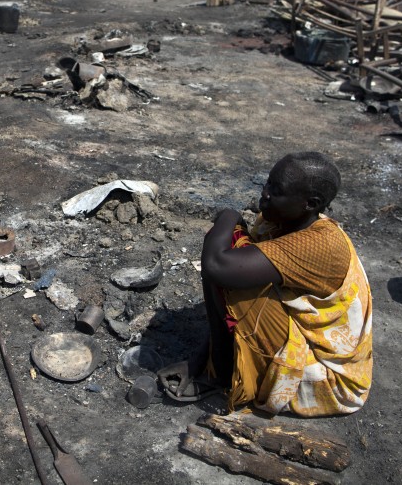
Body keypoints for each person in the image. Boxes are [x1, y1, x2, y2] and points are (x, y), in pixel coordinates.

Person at [158, 152, 373, 416]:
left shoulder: (321, 244)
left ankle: (223, 376)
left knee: (235, 270)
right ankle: (218, 364)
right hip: (303, 339)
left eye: (277, 190)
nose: (265, 194)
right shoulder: (279, 223)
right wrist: (198, 360)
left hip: (331, 378)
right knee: (237, 255)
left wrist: (229, 214)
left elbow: (217, 267)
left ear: (310, 203)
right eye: (268, 183)